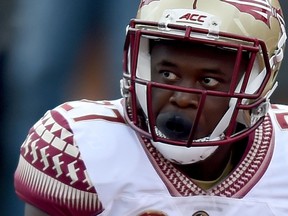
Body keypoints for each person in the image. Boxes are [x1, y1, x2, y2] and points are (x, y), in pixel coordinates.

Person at [14, 0, 288, 215]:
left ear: (254, 83)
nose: (182, 97)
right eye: (167, 74)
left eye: (208, 80)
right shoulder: (75, 145)